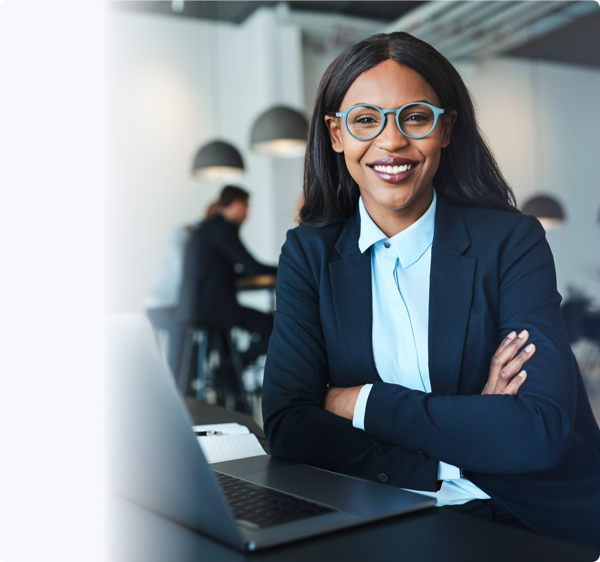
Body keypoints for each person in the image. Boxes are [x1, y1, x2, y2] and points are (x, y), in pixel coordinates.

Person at [261, 32, 600, 548]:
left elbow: (538, 429)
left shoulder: (511, 242)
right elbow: (290, 425)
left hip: (528, 511)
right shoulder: (310, 254)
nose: (392, 142)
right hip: (386, 508)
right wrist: (472, 428)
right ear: (336, 135)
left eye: (415, 117)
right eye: (365, 120)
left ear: (445, 128)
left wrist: (361, 403)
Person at [177, 185, 277, 396]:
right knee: (276, 326)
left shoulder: (206, 228)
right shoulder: (223, 228)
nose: (247, 215)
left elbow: (228, 271)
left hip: (196, 310)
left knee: (262, 326)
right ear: (238, 205)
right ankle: (229, 370)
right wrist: (287, 267)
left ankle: (230, 373)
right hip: (214, 311)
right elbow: (252, 267)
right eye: (247, 208)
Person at [145, 202, 219, 375]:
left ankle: (192, 383)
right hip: (161, 304)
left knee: (212, 332)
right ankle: (176, 386)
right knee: (179, 332)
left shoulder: (207, 239)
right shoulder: (182, 234)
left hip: (183, 305)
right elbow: (183, 272)